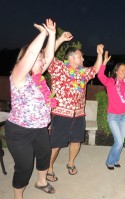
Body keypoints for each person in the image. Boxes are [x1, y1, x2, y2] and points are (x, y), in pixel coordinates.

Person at [5, 19, 56, 198]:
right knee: (24, 167)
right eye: (39, 60)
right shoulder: (18, 76)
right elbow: (32, 53)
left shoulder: (39, 78)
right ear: (29, 60)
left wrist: (52, 34)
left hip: (40, 129)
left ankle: (41, 181)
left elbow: (49, 56)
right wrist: (42, 34)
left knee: (44, 156)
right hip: (19, 131)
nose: (43, 62)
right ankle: (18, 196)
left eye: (42, 60)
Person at [47, 32, 104, 181]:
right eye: (80, 56)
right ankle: (49, 168)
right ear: (71, 58)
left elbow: (95, 70)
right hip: (61, 114)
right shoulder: (58, 68)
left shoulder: (82, 73)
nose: (83, 58)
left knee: (77, 141)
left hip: (78, 114)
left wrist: (100, 54)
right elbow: (48, 55)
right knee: (56, 144)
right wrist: (59, 39)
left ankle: (71, 162)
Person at [98, 50, 125, 170]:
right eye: (122, 70)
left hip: (124, 116)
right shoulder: (111, 82)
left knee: (120, 142)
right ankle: (110, 161)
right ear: (116, 71)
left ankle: (115, 159)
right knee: (118, 142)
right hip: (113, 116)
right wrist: (104, 63)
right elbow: (100, 76)